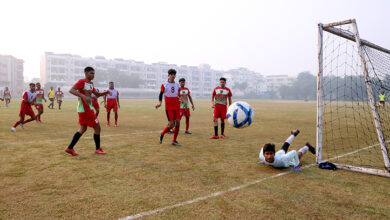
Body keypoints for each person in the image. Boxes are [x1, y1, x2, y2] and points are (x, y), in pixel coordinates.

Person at [64, 67, 110, 156]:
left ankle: (70, 148)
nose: (93, 75)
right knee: (97, 128)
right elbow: (71, 90)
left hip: (85, 108)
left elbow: (96, 94)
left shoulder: (90, 84)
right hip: (85, 109)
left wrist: (105, 93)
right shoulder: (82, 81)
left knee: (83, 128)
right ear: (85, 73)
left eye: (94, 73)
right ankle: (97, 149)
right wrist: (83, 96)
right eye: (91, 73)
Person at [156, 69, 182, 146]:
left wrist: (180, 99)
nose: (173, 76)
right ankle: (162, 134)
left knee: (178, 123)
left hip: (177, 106)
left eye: (174, 74)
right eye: (171, 74)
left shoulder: (177, 85)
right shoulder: (164, 84)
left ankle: (174, 140)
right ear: (168, 75)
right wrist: (160, 103)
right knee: (171, 125)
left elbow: (178, 95)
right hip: (169, 107)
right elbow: (160, 94)